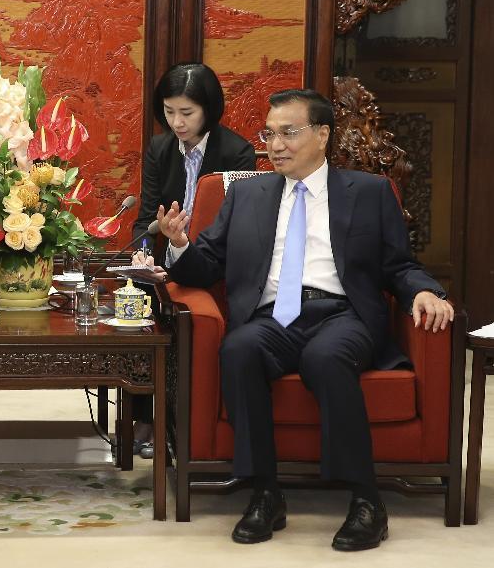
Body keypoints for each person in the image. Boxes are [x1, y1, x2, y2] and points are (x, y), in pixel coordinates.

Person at [143, 89, 453, 551]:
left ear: (323, 135)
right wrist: (179, 243)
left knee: (325, 358)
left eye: (289, 133)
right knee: (239, 349)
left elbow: (399, 264)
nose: (275, 145)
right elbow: (205, 266)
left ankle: (367, 500)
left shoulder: (369, 192)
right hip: (272, 318)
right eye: (269, 134)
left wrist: (425, 290)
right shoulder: (247, 194)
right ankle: (265, 493)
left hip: (342, 315)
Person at [130, 63, 256, 457]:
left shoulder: (237, 152)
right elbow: (146, 217)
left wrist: (185, 248)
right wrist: (143, 253)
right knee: (137, 302)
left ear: (208, 109)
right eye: (169, 112)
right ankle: (143, 417)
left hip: (208, 262)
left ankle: (175, 421)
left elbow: (232, 227)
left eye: (187, 113)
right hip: (162, 261)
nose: (177, 123)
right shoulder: (159, 148)